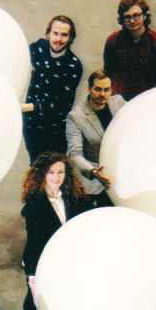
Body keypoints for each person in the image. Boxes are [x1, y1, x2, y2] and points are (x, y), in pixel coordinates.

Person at [20, 152, 94, 310]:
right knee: (36, 303)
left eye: (60, 172)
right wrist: (32, 277)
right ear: (42, 174)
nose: (56, 177)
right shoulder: (34, 205)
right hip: (42, 261)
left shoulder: (74, 197)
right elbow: (35, 243)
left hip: (68, 260)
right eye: (51, 172)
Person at [22, 15, 83, 162]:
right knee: (36, 165)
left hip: (55, 131)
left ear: (70, 38)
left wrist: (26, 107)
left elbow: (60, 104)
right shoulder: (37, 48)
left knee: (54, 168)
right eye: (55, 33)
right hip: (31, 126)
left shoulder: (73, 65)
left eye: (64, 35)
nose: (58, 39)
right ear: (48, 33)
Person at [65, 69, 123, 208]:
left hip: (119, 174)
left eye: (106, 90)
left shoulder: (119, 103)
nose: (102, 94)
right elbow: (74, 154)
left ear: (111, 90)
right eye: (98, 89)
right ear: (89, 89)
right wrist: (93, 172)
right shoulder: (76, 117)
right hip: (93, 180)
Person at [102, 0, 156, 101]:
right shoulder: (113, 41)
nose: (132, 21)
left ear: (144, 16)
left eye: (136, 16)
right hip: (118, 99)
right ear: (122, 19)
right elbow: (108, 72)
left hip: (146, 99)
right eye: (127, 17)